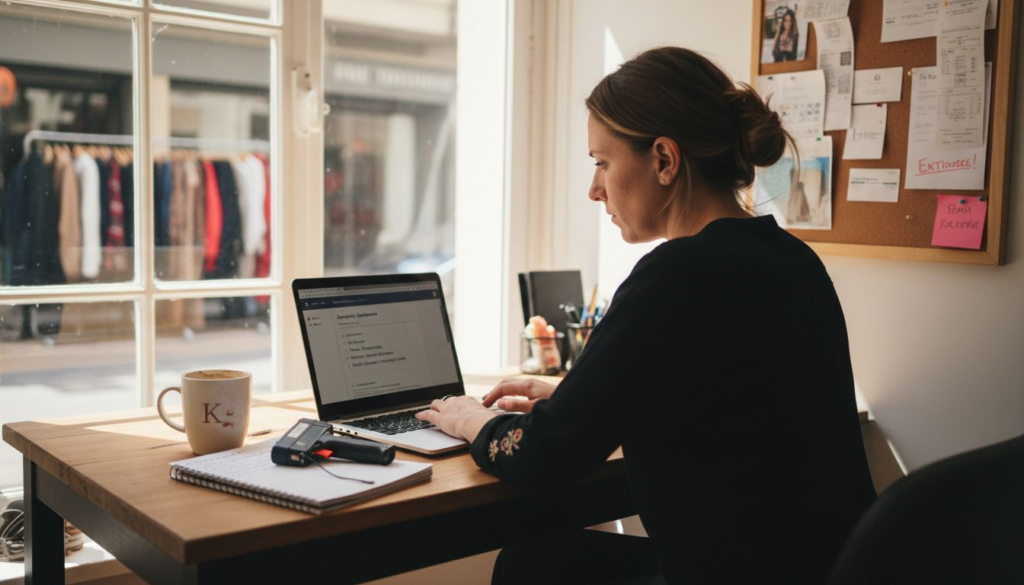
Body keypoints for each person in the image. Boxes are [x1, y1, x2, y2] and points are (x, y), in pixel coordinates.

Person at [416, 46, 875, 584]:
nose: (594, 189)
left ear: (663, 159)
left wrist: (473, 419)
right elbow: (721, 405)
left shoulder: (678, 273)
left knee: (532, 566)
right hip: (829, 569)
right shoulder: (792, 258)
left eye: (602, 162)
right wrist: (578, 398)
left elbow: (542, 459)